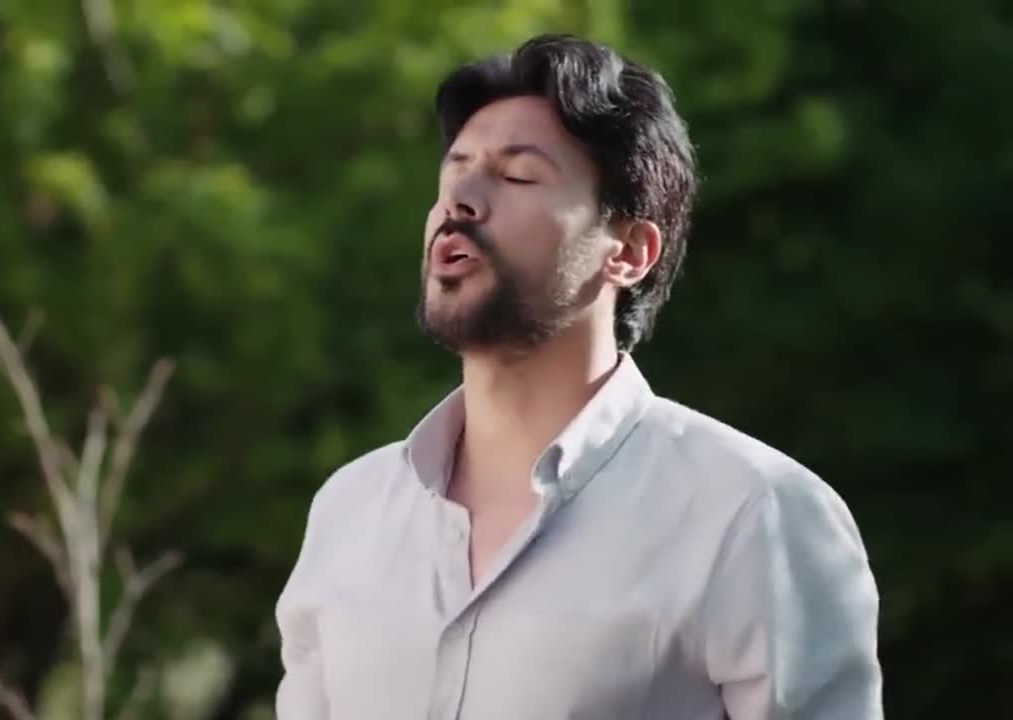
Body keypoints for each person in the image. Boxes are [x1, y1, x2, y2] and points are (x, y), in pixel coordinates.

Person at [274, 33, 882, 720]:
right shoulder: (350, 512)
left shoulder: (752, 513)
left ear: (629, 251)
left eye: (517, 176)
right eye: (454, 173)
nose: (459, 202)